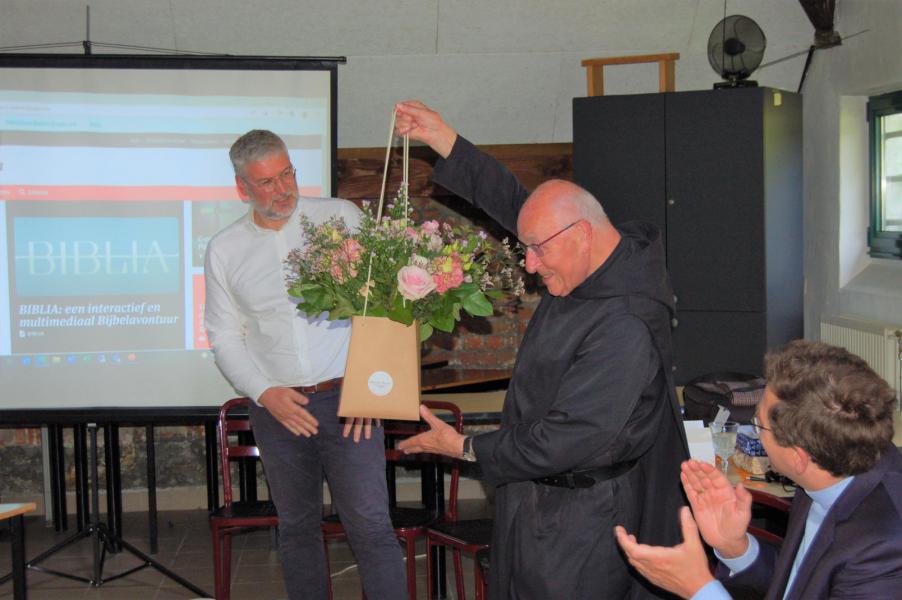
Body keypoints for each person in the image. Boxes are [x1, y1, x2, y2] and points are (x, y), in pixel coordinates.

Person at [394, 101, 690, 599]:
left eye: (537, 250)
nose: (529, 266)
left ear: (579, 235)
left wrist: (464, 447)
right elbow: (517, 204)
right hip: (537, 497)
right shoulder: (594, 254)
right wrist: (445, 140)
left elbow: (567, 438)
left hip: (579, 519)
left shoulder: (625, 322)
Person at [203, 130, 406, 600]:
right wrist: (264, 392)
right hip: (278, 407)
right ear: (242, 189)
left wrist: (368, 391)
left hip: (348, 399)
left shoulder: (341, 218)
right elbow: (224, 336)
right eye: (267, 182)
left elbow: (386, 309)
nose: (283, 189)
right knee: (296, 530)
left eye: (287, 173)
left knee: (372, 526)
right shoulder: (225, 249)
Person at [615, 340, 902, 599]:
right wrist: (736, 548)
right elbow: (804, 585)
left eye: (758, 424)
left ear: (798, 456)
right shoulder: (832, 469)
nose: (755, 432)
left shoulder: (883, 548)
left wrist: (700, 590)